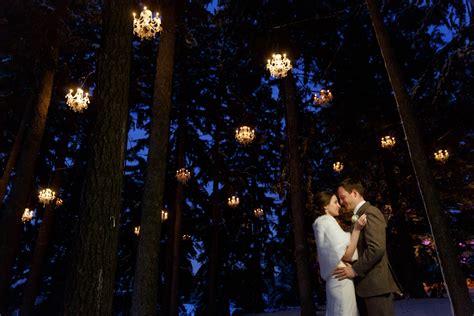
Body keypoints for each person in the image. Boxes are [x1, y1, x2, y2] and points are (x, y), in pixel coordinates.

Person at [334, 178, 399, 316]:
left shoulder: (371, 212)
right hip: (365, 287)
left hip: (375, 288)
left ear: (355, 193)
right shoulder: (358, 216)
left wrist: (354, 270)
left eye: (342, 197)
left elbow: (376, 249)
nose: (341, 202)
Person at [313, 191, 367, 316]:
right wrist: (357, 229)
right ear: (325, 206)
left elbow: (333, 255)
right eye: (335, 202)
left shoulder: (321, 224)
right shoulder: (327, 223)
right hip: (341, 280)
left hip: (335, 279)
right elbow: (347, 254)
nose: (339, 205)